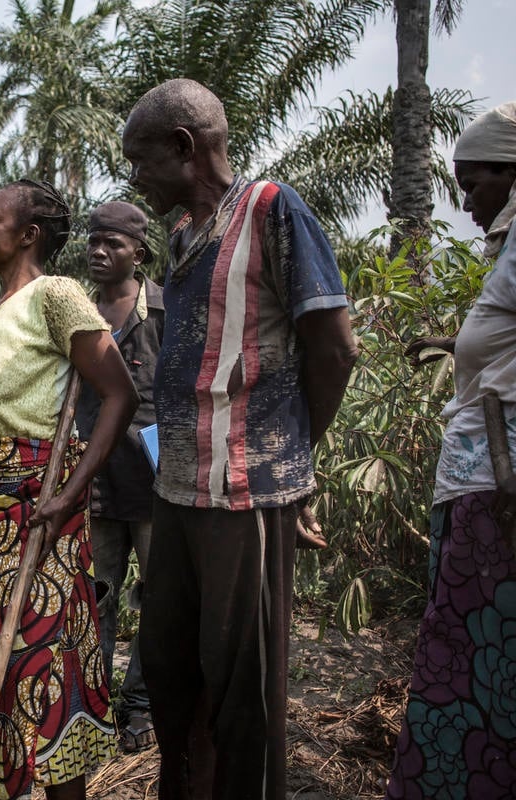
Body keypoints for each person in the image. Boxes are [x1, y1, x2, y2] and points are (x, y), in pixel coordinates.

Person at [120, 78, 358, 800]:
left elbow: (334, 349)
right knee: (169, 671)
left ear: (184, 148)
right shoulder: (184, 234)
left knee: (240, 689)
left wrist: (292, 456)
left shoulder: (272, 211)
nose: (135, 178)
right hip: (180, 491)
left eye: (141, 161)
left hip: (247, 496)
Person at [0, 180, 139, 800]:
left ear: (28, 235)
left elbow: (120, 394)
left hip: (39, 512)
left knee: (39, 668)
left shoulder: (57, 296)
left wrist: (70, 495)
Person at [388, 101, 516, 800]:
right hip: (478, 479)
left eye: (476, 182)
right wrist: (450, 346)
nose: (465, 200)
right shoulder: (506, 248)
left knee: (474, 657)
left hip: (499, 483)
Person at [74, 200, 164, 753]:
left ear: (140, 251)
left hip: (156, 483)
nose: (100, 252)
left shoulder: (166, 308)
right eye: (94, 241)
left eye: (114, 244)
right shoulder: (78, 311)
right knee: (95, 597)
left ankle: (140, 704)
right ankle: (93, 702)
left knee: (157, 600)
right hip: (96, 482)